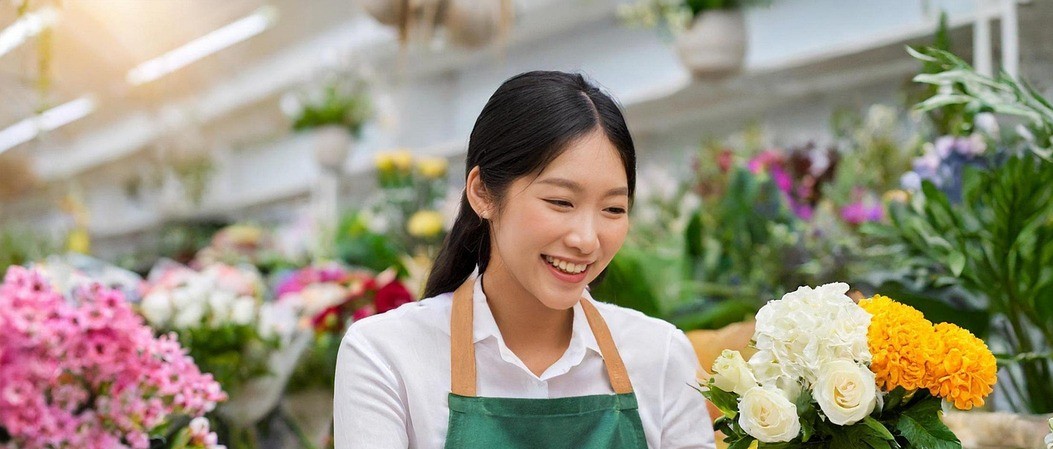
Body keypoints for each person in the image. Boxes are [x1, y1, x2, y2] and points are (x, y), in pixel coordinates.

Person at [334, 71, 715, 449]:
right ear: (482, 192)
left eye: (613, 208)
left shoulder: (660, 356)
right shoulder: (387, 355)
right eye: (560, 202)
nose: (586, 239)